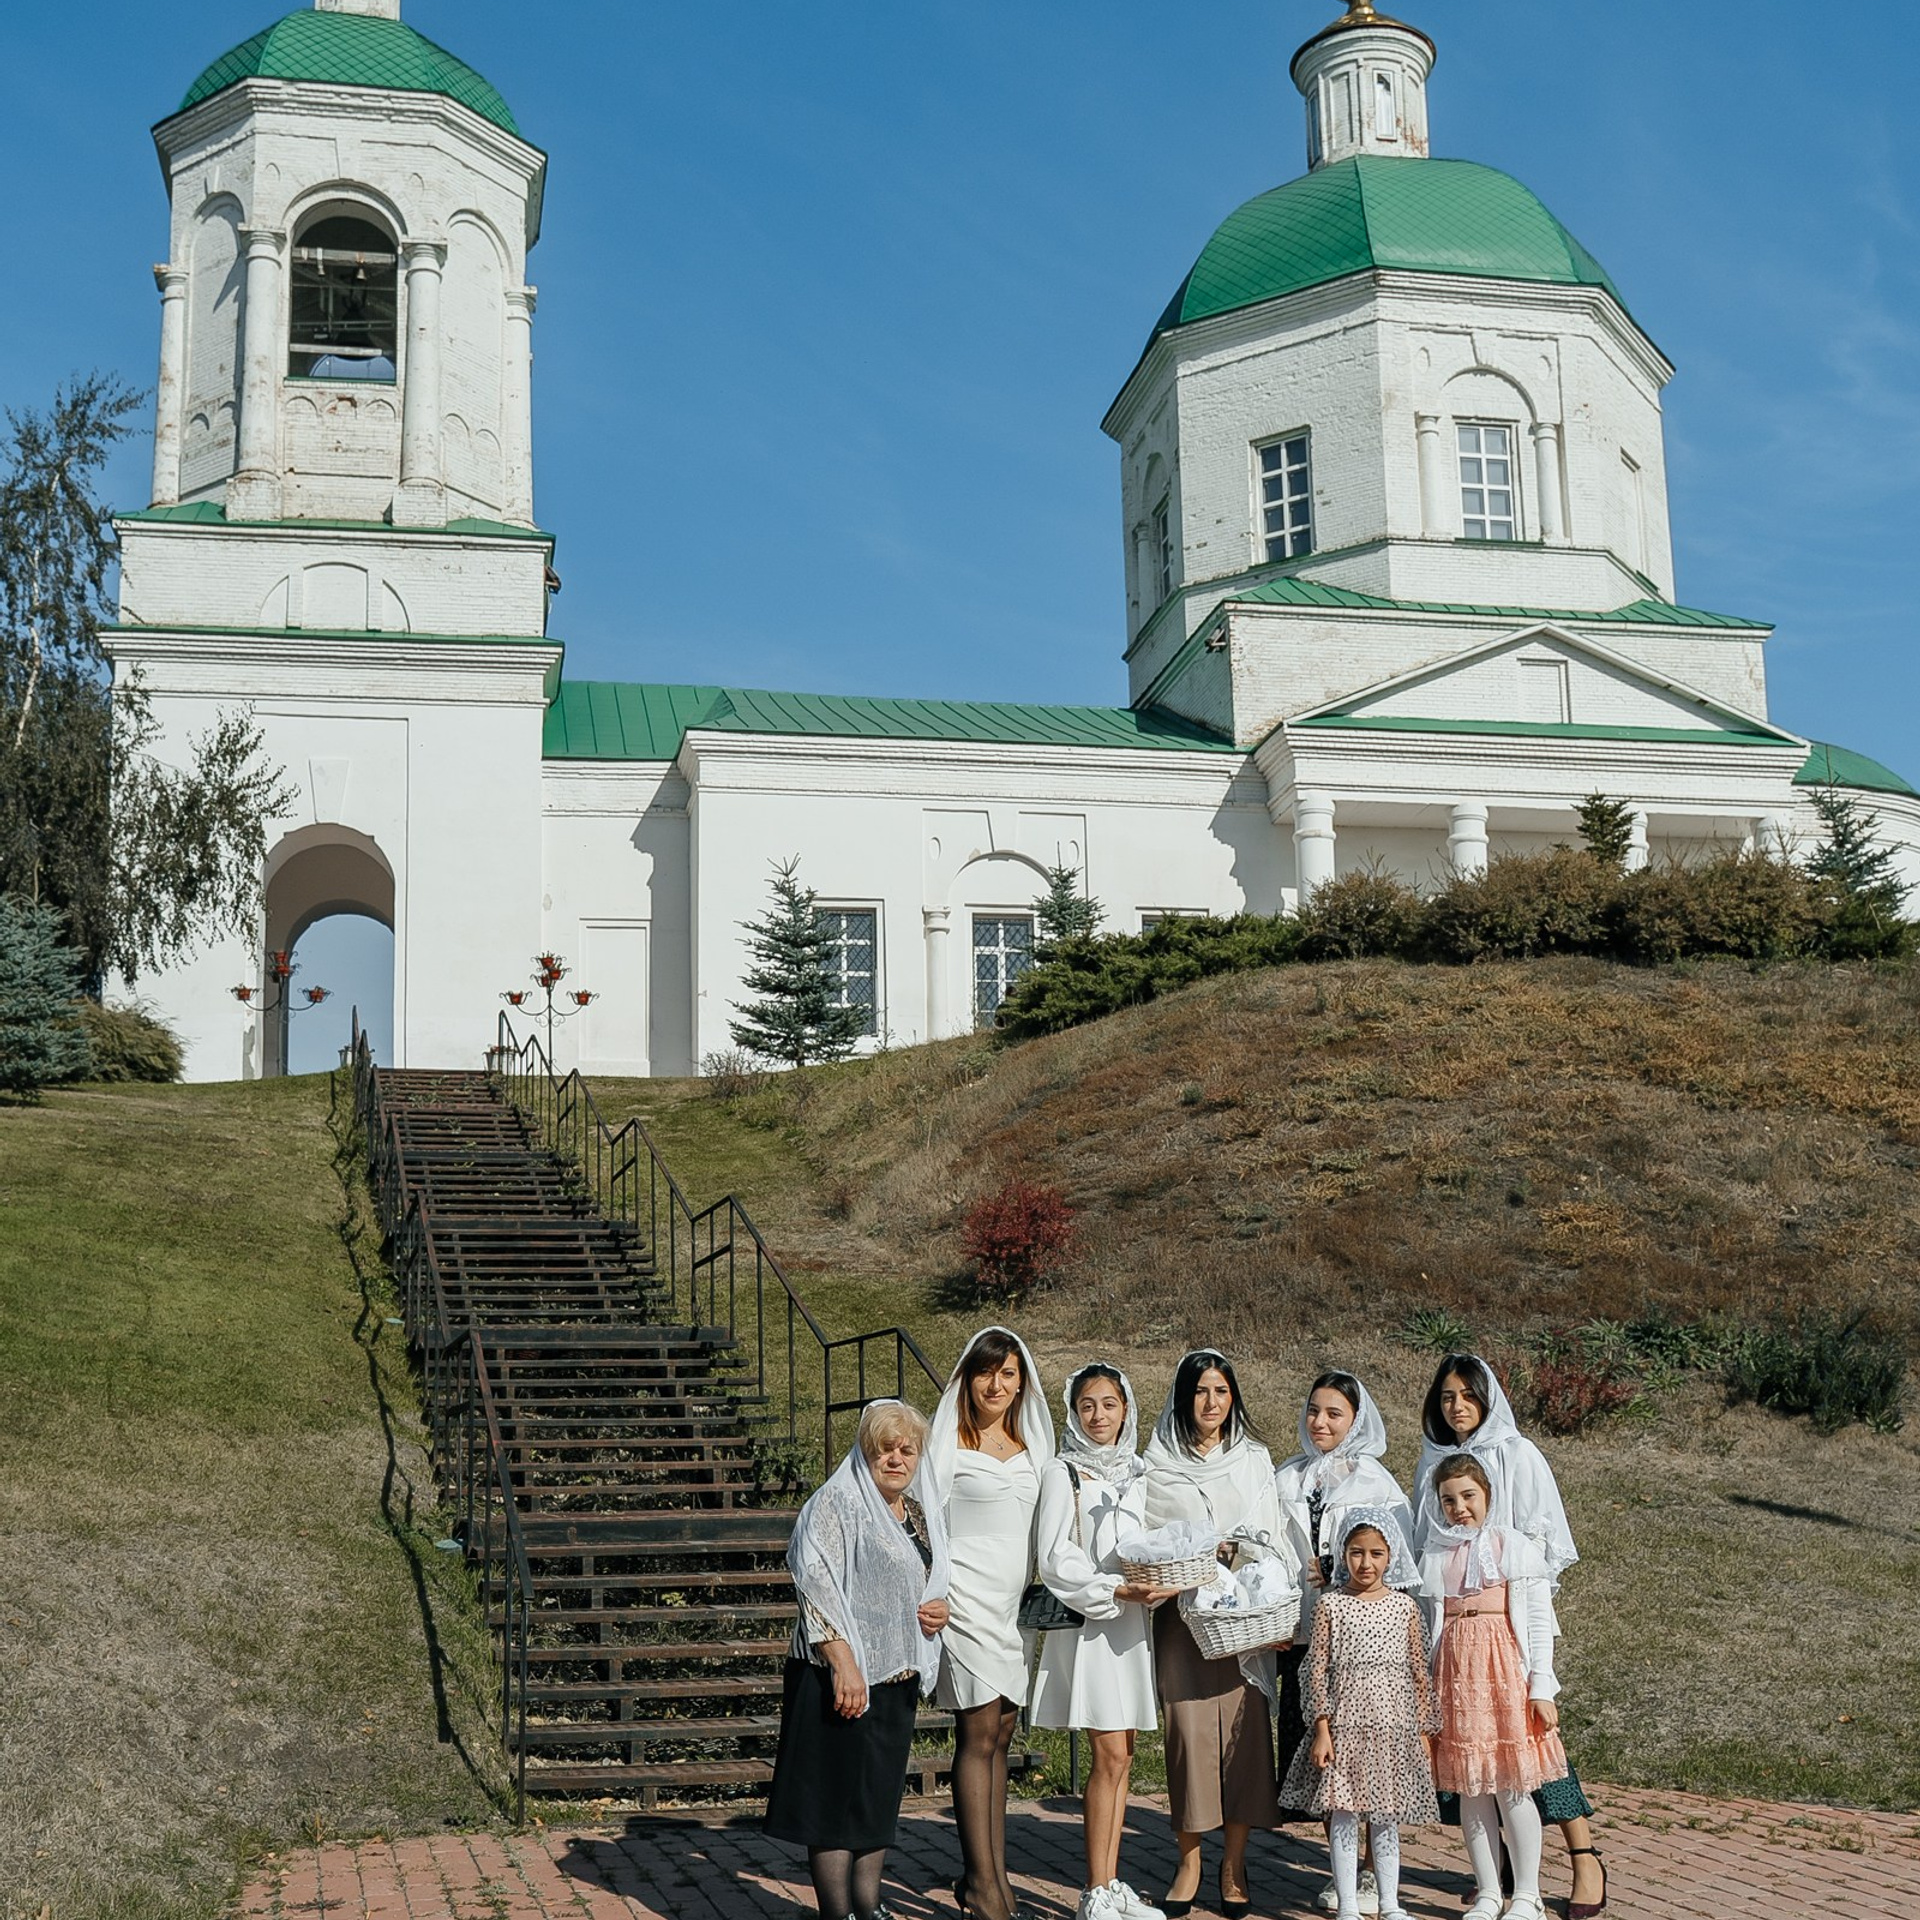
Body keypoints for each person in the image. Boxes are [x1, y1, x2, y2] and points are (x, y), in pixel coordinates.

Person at [1411, 1355, 1605, 1916]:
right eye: (1447, 1397)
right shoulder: (1435, 1459)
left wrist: (1530, 1653)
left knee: (1529, 1763)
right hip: (1455, 1642)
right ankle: (1493, 1881)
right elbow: (1426, 1554)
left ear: (1487, 1397)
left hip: (1507, 1627)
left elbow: (1540, 1547)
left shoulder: (1518, 1453)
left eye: (1468, 1395)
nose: (1457, 1407)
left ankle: (1577, 1858)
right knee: (1476, 1776)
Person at [766, 1399, 952, 1920]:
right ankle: (837, 1912)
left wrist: (936, 1610)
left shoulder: (915, 1511)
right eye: (883, 1450)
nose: (895, 1459)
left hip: (895, 1673)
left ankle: (867, 1907)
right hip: (837, 1675)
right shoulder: (835, 1504)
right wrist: (843, 1662)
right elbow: (814, 1581)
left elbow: (918, 1581)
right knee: (835, 1800)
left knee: (875, 1797)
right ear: (864, 1452)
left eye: (906, 1449)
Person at [1141, 1349, 1291, 1920]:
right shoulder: (1155, 1461)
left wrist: (1236, 1553)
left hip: (1242, 1616)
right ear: (1184, 1397)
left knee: (1244, 1737)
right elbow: (1147, 1534)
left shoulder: (1254, 1458)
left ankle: (1234, 1863)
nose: (1212, 1404)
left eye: (1222, 1392)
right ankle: (1189, 1861)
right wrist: (1192, 1551)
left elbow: (1271, 1534)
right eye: (1201, 1392)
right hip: (1182, 1618)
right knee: (1187, 1734)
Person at [1030, 1363, 1175, 1920]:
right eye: (1087, 1405)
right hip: (1093, 1625)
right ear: (1073, 1411)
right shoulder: (1061, 1472)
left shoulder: (1138, 1474)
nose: (1099, 1415)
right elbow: (1055, 1555)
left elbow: (1151, 1543)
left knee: (1125, 1757)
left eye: (1109, 1404)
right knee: (1108, 1753)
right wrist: (1114, 1588)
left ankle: (1112, 1883)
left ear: (1126, 1408)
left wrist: (1159, 1575)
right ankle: (1094, 1889)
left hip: (1132, 1627)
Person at [924, 1326, 1056, 1920]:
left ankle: (994, 1878)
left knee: (1002, 1735)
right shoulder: (946, 1440)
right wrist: (931, 1594)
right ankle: (981, 1887)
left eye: (1007, 1374)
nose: (996, 1384)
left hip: (1011, 1607)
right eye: (985, 1372)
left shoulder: (1035, 1447)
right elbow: (923, 1521)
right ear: (967, 1378)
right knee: (977, 1736)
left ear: (1021, 1380)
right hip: (965, 1600)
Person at [1273, 1371, 1416, 1913]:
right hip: (1303, 1635)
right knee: (1325, 1762)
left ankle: (1366, 1875)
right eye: (1313, 1410)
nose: (1321, 1422)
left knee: (1367, 1767)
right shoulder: (1288, 1475)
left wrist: (1336, 1572)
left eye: (1334, 1413)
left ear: (1356, 1420)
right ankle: (1343, 1869)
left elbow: (1395, 1565)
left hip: (1362, 1650)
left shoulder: (1376, 1483)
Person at [1419, 1453, 1570, 1920]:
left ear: (1488, 1495)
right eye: (1448, 1499)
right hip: (1455, 1677)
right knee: (1472, 1787)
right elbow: (1427, 1626)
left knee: (1512, 1785)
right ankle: (1488, 1890)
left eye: (1468, 1496)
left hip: (1503, 1672)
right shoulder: (1436, 1555)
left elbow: (1540, 1621)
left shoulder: (1513, 1546)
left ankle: (1527, 1893)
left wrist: (1541, 1685)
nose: (1459, 1507)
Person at [1278, 1507, 1440, 1920]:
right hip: (1345, 1727)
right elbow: (1314, 1669)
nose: (1365, 1564)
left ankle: (1389, 1903)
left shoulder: (1404, 1609)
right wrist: (1321, 1729)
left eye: (1376, 1554)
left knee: (1385, 1818)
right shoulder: (1331, 1606)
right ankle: (1348, 1903)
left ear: (1391, 1556)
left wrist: (1423, 1728)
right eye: (1355, 1553)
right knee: (1345, 1813)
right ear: (1343, 1555)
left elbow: (1419, 1670)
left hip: (1391, 1728)